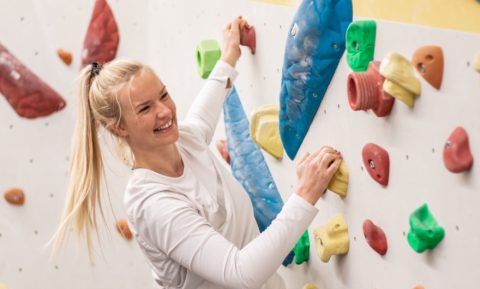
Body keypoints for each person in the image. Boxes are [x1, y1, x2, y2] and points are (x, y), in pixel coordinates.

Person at [51, 16, 342, 289]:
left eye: (163, 94)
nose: (165, 111)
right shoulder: (154, 204)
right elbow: (241, 272)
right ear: (119, 128)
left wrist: (230, 55)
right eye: (145, 108)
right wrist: (304, 195)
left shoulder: (184, 141)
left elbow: (207, 106)